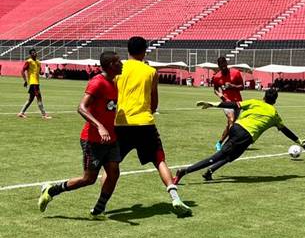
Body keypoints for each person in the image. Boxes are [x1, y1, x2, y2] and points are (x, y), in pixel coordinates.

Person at [38, 51, 123, 218]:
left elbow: (108, 108)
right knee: (89, 179)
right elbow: (81, 108)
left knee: (114, 172)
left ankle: (99, 208)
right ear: (111, 65)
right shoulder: (97, 82)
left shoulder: (113, 82)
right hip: (92, 139)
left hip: (111, 138)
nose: (122, 64)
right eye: (118, 62)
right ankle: (51, 190)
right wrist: (100, 126)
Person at [115, 36, 191, 216]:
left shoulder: (118, 70)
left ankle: (100, 205)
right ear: (144, 51)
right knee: (159, 160)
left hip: (121, 122)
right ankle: (175, 198)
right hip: (144, 123)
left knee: (112, 164)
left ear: (128, 50)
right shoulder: (150, 72)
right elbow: (154, 103)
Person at [173, 88, 305, 184]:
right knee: (218, 156)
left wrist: (214, 104)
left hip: (236, 128)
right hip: (245, 135)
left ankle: (210, 171)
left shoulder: (254, 102)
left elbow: (234, 104)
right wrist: (299, 141)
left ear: (263, 97)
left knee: (233, 156)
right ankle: (184, 172)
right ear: (275, 101)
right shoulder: (274, 114)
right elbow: (285, 130)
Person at [211, 56, 244, 151]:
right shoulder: (217, 77)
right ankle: (230, 144)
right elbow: (216, 89)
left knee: (230, 124)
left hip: (238, 102)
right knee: (231, 119)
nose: (223, 67)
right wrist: (221, 96)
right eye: (221, 66)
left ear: (226, 63)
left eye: (224, 64)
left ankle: (220, 142)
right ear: (219, 66)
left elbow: (242, 87)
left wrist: (232, 86)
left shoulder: (236, 73)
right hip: (227, 102)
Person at [18, 48, 50, 119]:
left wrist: (41, 73)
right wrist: (25, 81)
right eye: (32, 53)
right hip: (33, 82)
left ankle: (21, 113)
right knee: (39, 97)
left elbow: (40, 72)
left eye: (35, 52)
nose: (34, 54)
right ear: (30, 55)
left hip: (36, 82)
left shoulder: (38, 62)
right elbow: (22, 71)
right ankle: (44, 114)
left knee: (31, 99)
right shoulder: (29, 61)